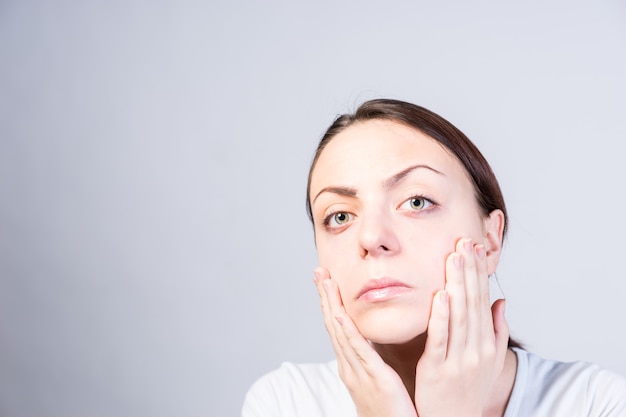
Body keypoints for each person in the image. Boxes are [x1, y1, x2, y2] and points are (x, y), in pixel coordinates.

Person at [241, 99, 626, 417]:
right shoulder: (285, 402)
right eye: (340, 216)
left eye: (416, 201)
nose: (373, 238)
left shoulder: (596, 403)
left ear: (490, 241)